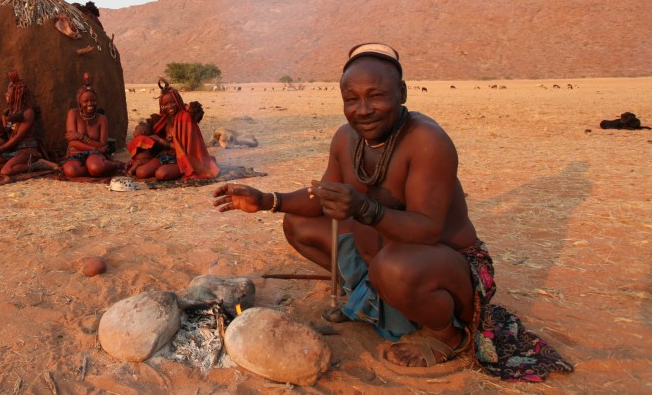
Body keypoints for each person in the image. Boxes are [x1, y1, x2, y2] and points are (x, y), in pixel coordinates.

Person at [212, 43, 572, 381]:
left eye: (376, 96)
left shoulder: (427, 141)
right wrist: (267, 201)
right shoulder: (345, 138)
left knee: (394, 265)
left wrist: (365, 208)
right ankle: (370, 298)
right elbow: (322, 197)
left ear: (402, 93)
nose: (363, 109)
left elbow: (428, 230)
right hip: (382, 260)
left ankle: (444, 333)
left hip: (442, 267)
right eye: (351, 99)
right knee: (299, 223)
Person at [129, 78, 219, 180]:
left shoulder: (185, 117)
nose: (169, 106)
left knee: (161, 174)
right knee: (141, 172)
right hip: (166, 155)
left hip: (184, 157)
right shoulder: (164, 118)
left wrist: (160, 141)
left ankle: (182, 170)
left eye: (172, 102)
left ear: (178, 101)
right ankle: (164, 168)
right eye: (165, 104)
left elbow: (186, 149)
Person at [0, 71, 56, 175]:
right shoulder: (11, 111)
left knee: (5, 171)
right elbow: (8, 129)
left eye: (9, 93)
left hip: (26, 150)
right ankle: (14, 164)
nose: (6, 94)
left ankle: (37, 165)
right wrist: (3, 118)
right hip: (14, 151)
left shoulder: (28, 113)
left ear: (17, 95)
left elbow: (17, 137)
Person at [62, 73, 118, 178]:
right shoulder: (73, 114)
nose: (89, 104)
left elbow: (103, 144)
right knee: (70, 172)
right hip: (76, 153)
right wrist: (94, 148)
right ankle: (92, 169)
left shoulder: (101, 119)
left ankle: (114, 166)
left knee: (95, 168)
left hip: (95, 155)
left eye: (93, 100)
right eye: (85, 101)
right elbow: (72, 142)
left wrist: (80, 137)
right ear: (79, 102)